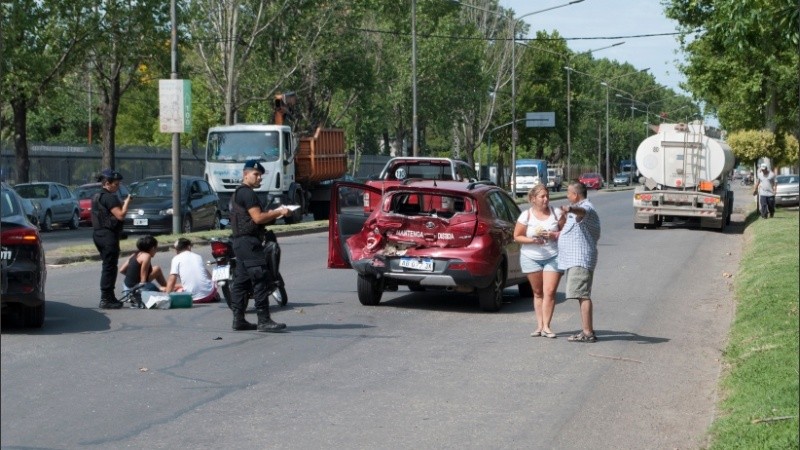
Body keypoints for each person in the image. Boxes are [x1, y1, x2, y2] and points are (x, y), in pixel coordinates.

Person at [228, 160, 291, 332]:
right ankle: (263, 320)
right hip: (249, 242)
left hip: (239, 242)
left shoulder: (237, 194)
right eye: (256, 174)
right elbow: (257, 218)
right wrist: (279, 212)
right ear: (245, 174)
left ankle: (238, 319)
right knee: (260, 278)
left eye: (260, 175)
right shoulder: (247, 194)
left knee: (241, 281)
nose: (259, 178)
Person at [513, 184, 563, 339]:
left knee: (549, 291)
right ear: (533, 199)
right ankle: (539, 325)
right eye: (542, 196)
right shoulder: (526, 215)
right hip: (531, 257)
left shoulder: (557, 213)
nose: (546, 199)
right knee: (538, 292)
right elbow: (517, 236)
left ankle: (547, 326)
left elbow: (567, 232)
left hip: (553, 256)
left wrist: (554, 235)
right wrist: (533, 240)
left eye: (547, 196)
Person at [556, 181, 601, 343]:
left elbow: (583, 212)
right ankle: (587, 331)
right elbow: (562, 228)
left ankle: (588, 333)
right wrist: (564, 215)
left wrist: (570, 209)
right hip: (573, 260)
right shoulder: (573, 211)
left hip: (580, 260)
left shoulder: (586, 207)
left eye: (568, 193)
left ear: (575, 195)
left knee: (582, 295)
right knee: (581, 295)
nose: (567, 196)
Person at [92, 168, 132, 309]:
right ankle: (106, 298)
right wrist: (127, 202)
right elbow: (120, 215)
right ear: (107, 183)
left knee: (108, 265)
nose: (118, 186)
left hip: (99, 234)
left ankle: (109, 296)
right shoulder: (109, 197)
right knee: (109, 267)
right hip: (108, 235)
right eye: (115, 184)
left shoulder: (97, 196)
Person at [164, 238, 219, 303]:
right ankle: (212, 293)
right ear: (189, 247)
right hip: (210, 294)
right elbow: (205, 273)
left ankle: (165, 288)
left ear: (176, 250)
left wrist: (166, 297)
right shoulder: (198, 256)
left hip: (191, 298)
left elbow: (172, 279)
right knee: (204, 271)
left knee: (177, 290)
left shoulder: (176, 259)